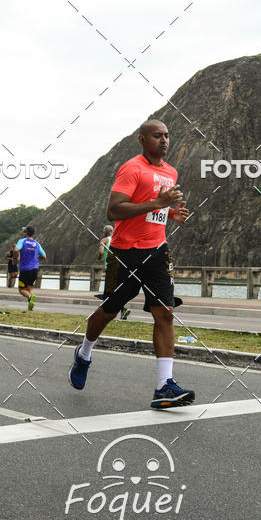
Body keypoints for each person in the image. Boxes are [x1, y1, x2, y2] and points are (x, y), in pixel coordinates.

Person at [69, 118, 193, 409]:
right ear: (142, 140)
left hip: (158, 251)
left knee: (165, 312)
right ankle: (84, 353)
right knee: (109, 310)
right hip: (125, 253)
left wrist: (169, 214)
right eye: (156, 136)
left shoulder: (171, 172)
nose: (164, 140)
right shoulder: (132, 168)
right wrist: (157, 204)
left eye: (166, 135)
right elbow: (114, 211)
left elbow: (154, 210)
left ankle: (164, 385)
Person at [98, 224, 130, 320]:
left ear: (106, 232)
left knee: (110, 292)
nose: (103, 233)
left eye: (103, 232)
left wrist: (99, 256)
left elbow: (100, 252)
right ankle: (121, 310)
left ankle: (121, 309)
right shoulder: (118, 239)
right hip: (120, 267)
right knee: (116, 291)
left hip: (110, 267)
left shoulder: (104, 240)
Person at [16, 226, 46, 310]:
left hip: (25, 269)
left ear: (25, 233)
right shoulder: (37, 243)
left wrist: (16, 257)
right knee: (29, 289)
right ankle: (30, 307)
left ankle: (30, 297)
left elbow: (15, 250)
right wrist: (36, 259)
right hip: (35, 269)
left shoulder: (22, 241)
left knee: (21, 290)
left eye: (24, 231)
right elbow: (44, 256)